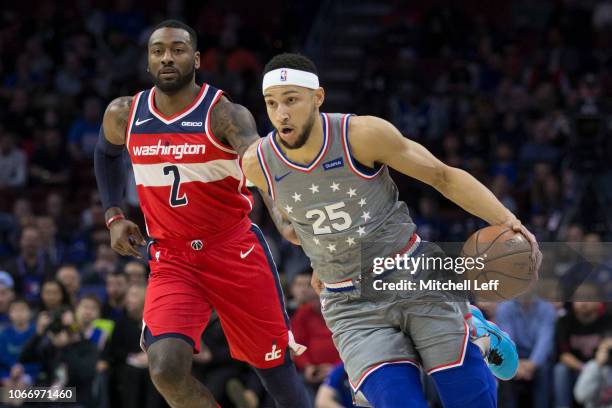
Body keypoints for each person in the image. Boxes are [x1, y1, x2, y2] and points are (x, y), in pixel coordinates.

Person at [243, 53, 543, 408]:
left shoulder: (362, 135)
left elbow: (441, 175)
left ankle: (477, 334)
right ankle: (473, 329)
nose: (281, 114)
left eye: (291, 100)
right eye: (272, 103)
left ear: (317, 97)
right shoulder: (257, 162)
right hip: (349, 303)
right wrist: (321, 259)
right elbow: (292, 222)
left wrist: (509, 221)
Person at [94, 20, 309, 408]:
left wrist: (283, 215)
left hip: (233, 251)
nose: (167, 58)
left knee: (276, 372)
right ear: (147, 62)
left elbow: (261, 166)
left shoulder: (225, 114)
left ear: (195, 59)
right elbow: (105, 154)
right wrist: (114, 214)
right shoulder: (124, 113)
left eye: (177, 50)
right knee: (163, 369)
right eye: (158, 51)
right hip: (173, 258)